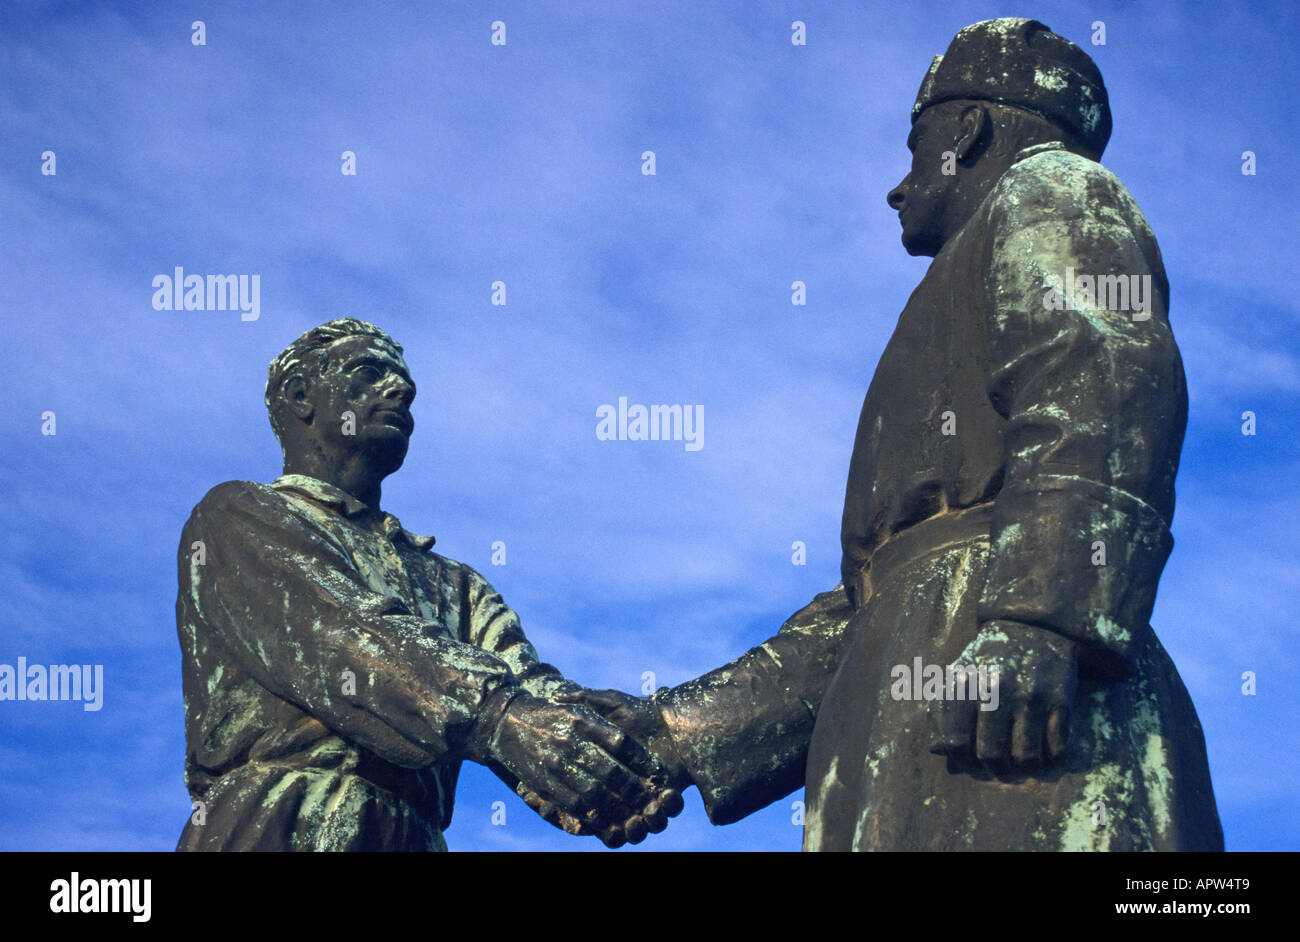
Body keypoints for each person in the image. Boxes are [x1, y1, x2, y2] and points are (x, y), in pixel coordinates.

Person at [562, 18, 1223, 851]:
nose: (897, 187)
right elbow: (871, 608)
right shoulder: (967, 273)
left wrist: (1040, 623)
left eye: (914, 146)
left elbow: (1102, 390)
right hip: (920, 700)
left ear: (965, 128)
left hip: (1014, 716)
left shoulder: (1057, 192)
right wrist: (678, 732)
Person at [175, 318, 680, 851]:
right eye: (368, 373)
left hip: (414, 835)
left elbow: (534, 693)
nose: (399, 391)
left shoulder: (455, 584)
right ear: (301, 395)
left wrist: (635, 748)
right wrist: (501, 719)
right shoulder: (238, 515)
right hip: (280, 822)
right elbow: (348, 638)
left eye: (406, 389)